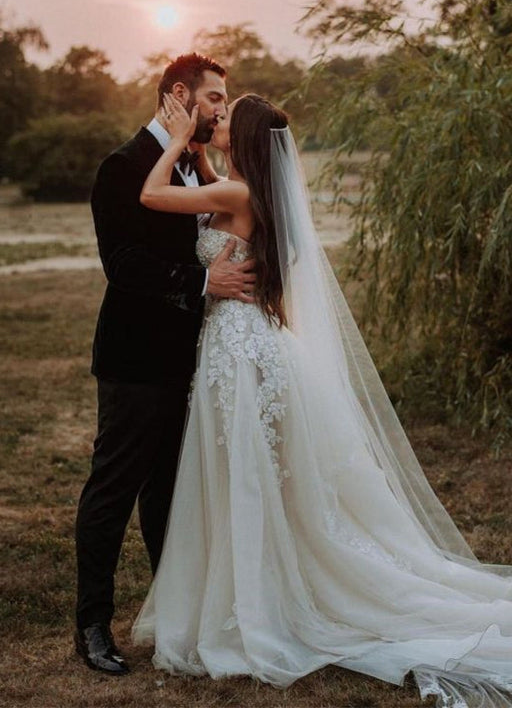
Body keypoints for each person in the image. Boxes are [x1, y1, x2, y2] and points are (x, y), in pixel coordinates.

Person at [132, 92, 512, 708]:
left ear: (249, 138)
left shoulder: (236, 194)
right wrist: (204, 155)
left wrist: (175, 141)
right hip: (249, 344)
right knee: (251, 475)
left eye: (226, 117)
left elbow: (152, 195)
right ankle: (254, 590)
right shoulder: (250, 189)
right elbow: (214, 192)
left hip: (237, 349)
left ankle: (256, 605)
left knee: (244, 476)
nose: (214, 119)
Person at [74, 53, 256, 675]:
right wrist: (205, 280)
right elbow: (123, 266)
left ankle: (174, 613)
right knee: (114, 488)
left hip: (193, 362)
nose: (218, 110)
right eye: (213, 99)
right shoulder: (122, 167)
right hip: (134, 360)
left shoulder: (190, 164)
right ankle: (93, 626)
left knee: (171, 496)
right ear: (180, 95)